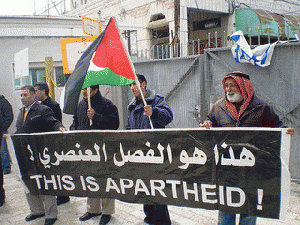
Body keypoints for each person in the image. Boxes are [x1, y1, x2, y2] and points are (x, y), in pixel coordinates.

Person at [200, 71, 294, 225]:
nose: (228, 90)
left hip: (251, 168)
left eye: (232, 86)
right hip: (226, 168)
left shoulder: (262, 107)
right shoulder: (218, 107)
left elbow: (277, 127)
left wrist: (285, 132)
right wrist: (207, 124)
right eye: (226, 86)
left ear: (244, 87)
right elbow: (210, 123)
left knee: (249, 210)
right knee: (226, 208)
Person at [127, 74, 173, 225]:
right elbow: (130, 127)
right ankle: (149, 218)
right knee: (144, 188)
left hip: (155, 152)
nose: (133, 88)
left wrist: (154, 113)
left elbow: (168, 117)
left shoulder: (156, 100)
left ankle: (162, 221)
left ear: (144, 84)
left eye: (135, 84)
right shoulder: (132, 106)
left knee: (157, 188)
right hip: (139, 154)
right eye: (131, 85)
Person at [16, 85, 65, 225]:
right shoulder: (21, 112)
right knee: (28, 181)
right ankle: (36, 210)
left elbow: (53, 122)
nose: (22, 98)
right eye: (21, 95)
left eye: (25, 95)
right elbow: (20, 130)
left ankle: (51, 214)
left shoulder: (43, 110)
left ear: (33, 95)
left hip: (41, 154)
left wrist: (60, 127)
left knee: (46, 184)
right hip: (25, 154)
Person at [71, 85, 119, 225]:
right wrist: (73, 131)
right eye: (83, 89)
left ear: (95, 90)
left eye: (87, 89)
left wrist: (96, 116)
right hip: (86, 150)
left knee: (104, 180)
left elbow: (114, 124)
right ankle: (93, 209)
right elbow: (76, 122)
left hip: (103, 149)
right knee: (89, 179)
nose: (84, 91)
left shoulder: (107, 104)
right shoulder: (80, 105)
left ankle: (107, 211)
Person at [34, 82, 69, 206]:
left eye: (36, 90)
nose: (35, 93)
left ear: (43, 91)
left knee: (57, 168)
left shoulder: (53, 105)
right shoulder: (37, 106)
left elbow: (57, 122)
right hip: (43, 143)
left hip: (53, 142)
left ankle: (63, 196)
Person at [0, 94, 13, 206]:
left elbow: (9, 117)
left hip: (2, 132)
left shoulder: (3, 102)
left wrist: (2, 128)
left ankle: (6, 167)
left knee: (3, 151)